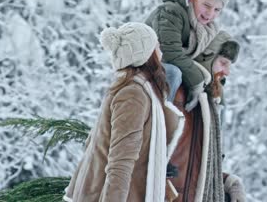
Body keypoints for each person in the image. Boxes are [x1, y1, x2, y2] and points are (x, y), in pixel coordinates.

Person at [63, 22, 184, 202]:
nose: (161, 50)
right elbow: (120, 163)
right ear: (146, 54)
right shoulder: (133, 95)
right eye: (156, 45)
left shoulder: (137, 89)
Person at [168, 31, 246, 202]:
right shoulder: (178, 93)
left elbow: (195, 167)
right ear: (207, 59)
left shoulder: (212, 107)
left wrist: (228, 183)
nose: (227, 72)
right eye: (223, 63)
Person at [146, 0, 233, 109]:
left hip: (170, 64)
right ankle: (158, 122)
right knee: (173, 74)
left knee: (217, 95)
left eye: (217, 9)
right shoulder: (170, 12)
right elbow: (169, 53)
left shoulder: (205, 28)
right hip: (147, 63)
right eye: (206, 5)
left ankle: (213, 131)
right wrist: (197, 81)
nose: (210, 14)